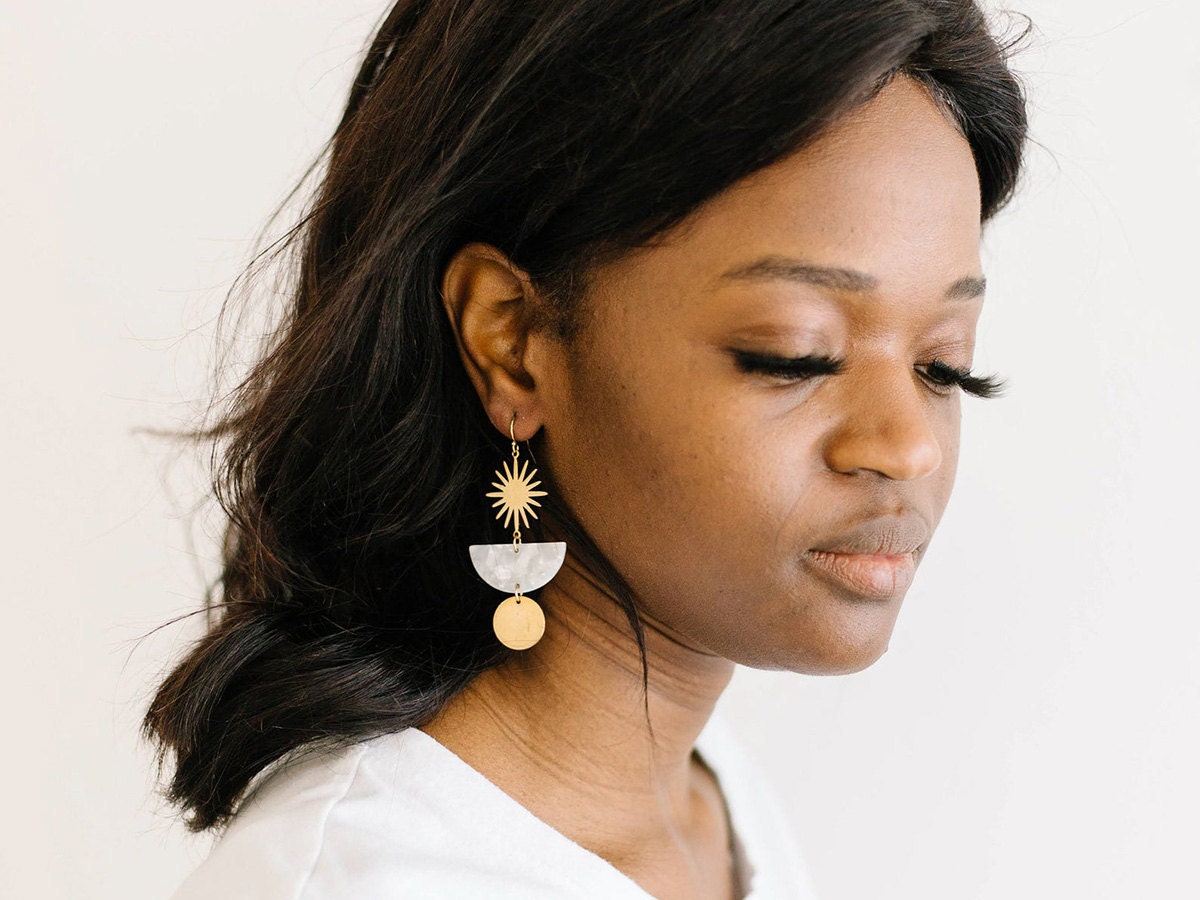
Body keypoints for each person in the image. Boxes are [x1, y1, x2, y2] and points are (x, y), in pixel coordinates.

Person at [145, 1, 1028, 897]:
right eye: (795, 354)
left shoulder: (714, 801)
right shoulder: (378, 878)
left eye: (944, 366)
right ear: (512, 340)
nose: (908, 446)